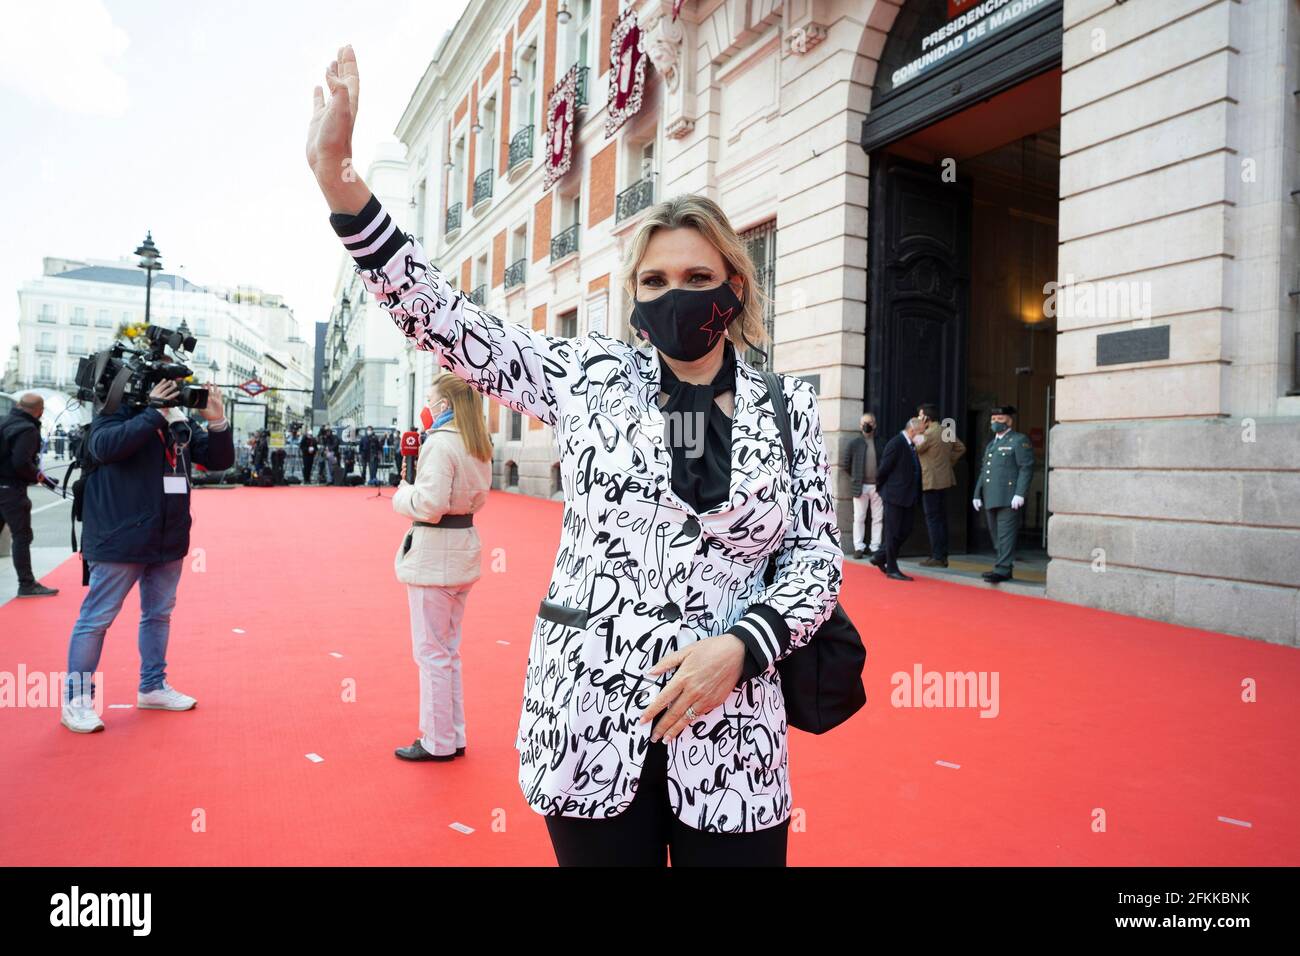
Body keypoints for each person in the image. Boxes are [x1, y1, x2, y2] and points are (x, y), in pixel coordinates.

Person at [307, 44, 842, 867]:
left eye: (696, 275)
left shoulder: (789, 405)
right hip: (591, 718)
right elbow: (449, 323)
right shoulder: (588, 378)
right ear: (634, 295)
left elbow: (815, 561)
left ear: (734, 284)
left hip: (734, 732)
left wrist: (744, 646)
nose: (675, 296)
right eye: (655, 281)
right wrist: (342, 180)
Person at [60, 380, 234, 733]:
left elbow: (219, 460)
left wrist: (217, 422)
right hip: (119, 536)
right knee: (96, 619)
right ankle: (76, 700)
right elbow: (106, 447)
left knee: (158, 615)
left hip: (167, 536)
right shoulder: (113, 414)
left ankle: (152, 686)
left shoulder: (179, 421)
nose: (176, 392)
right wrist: (154, 412)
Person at [392, 373, 493, 761]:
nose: (428, 407)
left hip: (435, 556)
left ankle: (437, 741)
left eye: (432, 399)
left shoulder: (440, 444)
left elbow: (429, 506)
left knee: (432, 653)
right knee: (448, 651)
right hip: (463, 548)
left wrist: (403, 496)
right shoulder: (478, 442)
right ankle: (453, 734)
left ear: (446, 404)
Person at [0, 393, 60, 597]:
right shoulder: (27, 429)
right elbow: (21, 463)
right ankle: (26, 584)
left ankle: (26, 583)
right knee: (22, 536)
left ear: (18, 405)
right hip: (11, 490)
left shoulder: (4, 421)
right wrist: (40, 477)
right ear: (39, 411)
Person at [972, 405, 1034, 583]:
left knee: (1006, 534)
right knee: (996, 534)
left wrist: (1020, 493)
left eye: (1000, 419)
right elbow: (985, 471)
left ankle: (1002, 569)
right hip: (991, 496)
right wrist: (977, 493)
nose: (995, 423)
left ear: (1009, 421)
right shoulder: (992, 444)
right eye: (993, 420)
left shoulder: (1019, 440)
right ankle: (1003, 566)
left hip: (1008, 496)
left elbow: (1026, 468)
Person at [870, 416, 924, 581]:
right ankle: (891, 568)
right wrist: (881, 489)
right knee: (893, 532)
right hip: (894, 495)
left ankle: (880, 555)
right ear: (912, 430)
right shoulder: (896, 443)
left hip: (907, 496)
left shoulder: (911, 445)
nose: (923, 436)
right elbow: (884, 469)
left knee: (906, 530)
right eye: (921, 432)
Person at [914, 403, 966, 568]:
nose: (918, 419)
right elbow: (960, 447)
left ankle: (937, 556)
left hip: (930, 481)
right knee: (941, 519)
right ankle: (942, 555)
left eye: (920, 416)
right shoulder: (945, 430)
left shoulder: (927, 433)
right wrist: (947, 462)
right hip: (944, 480)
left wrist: (917, 431)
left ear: (926, 418)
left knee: (933, 520)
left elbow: (916, 447)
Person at [841, 411, 884, 560]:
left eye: (870, 422)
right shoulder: (855, 443)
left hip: (878, 487)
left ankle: (875, 547)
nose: (867, 425)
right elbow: (846, 464)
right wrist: (855, 478)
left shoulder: (881, 442)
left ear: (875, 425)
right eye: (864, 423)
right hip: (860, 487)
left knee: (877, 518)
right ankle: (858, 547)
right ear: (860, 426)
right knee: (859, 517)